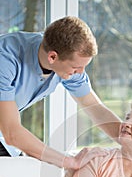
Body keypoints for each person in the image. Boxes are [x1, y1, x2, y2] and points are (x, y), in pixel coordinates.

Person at [0, 16, 121, 168]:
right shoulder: (5, 58)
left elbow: (94, 107)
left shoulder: (63, 59)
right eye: (76, 67)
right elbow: (12, 133)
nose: (81, 73)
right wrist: (70, 161)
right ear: (52, 57)